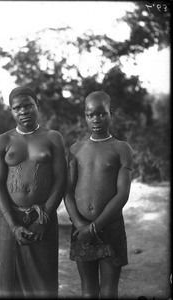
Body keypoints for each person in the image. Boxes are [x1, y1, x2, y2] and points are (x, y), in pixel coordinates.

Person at [0, 86, 67, 298]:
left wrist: (43, 218)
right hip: (11, 219)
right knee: (10, 285)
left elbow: (61, 180)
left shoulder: (53, 138)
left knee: (44, 283)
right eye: (17, 108)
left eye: (28, 105)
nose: (23, 111)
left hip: (43, 217)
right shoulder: (2, 141)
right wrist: (13, 226)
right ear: (11, 111)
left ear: (37, 107)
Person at [64, 91, 133, 299]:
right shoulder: (76, 149)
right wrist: (79, 225)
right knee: (88, 289)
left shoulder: (121, 149)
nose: (96, 119)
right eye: (91, 114)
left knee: (109, 290)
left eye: (102, 114)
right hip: (81, 228)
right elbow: (67, 191)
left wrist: (94, 227)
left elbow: (123, 194)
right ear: (85, 115)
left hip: (110, 226)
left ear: (111, 113)